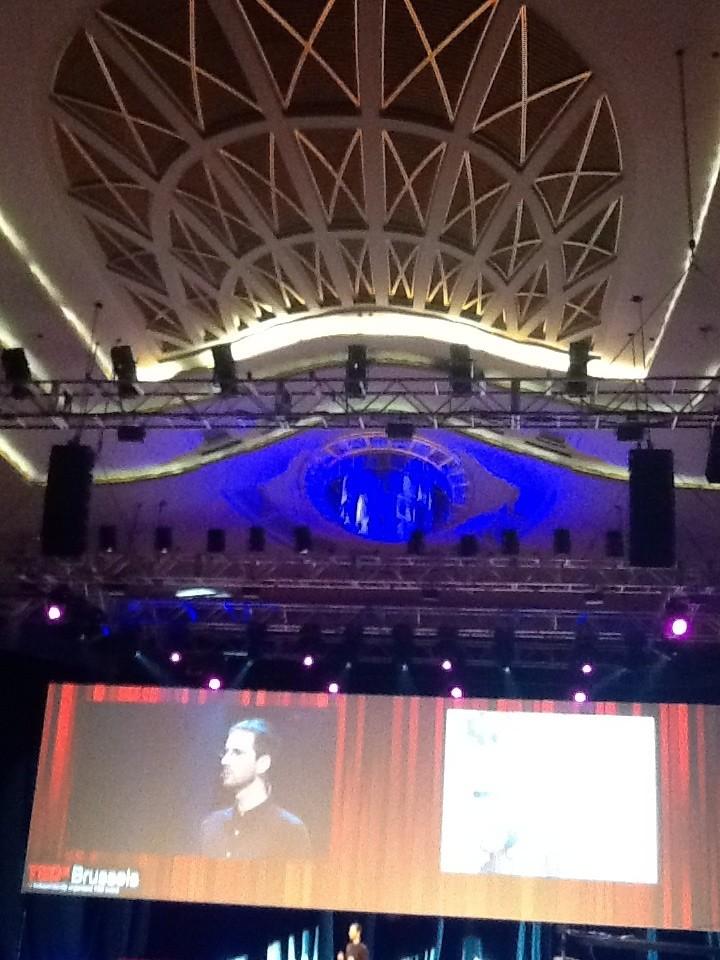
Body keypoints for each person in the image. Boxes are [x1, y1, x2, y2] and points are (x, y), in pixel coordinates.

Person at [200, 717, 310, 859]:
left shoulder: (289, 830)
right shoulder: (211, 825)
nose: (224, 760)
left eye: (237, 752)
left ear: (263, 764)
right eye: (226, 752)